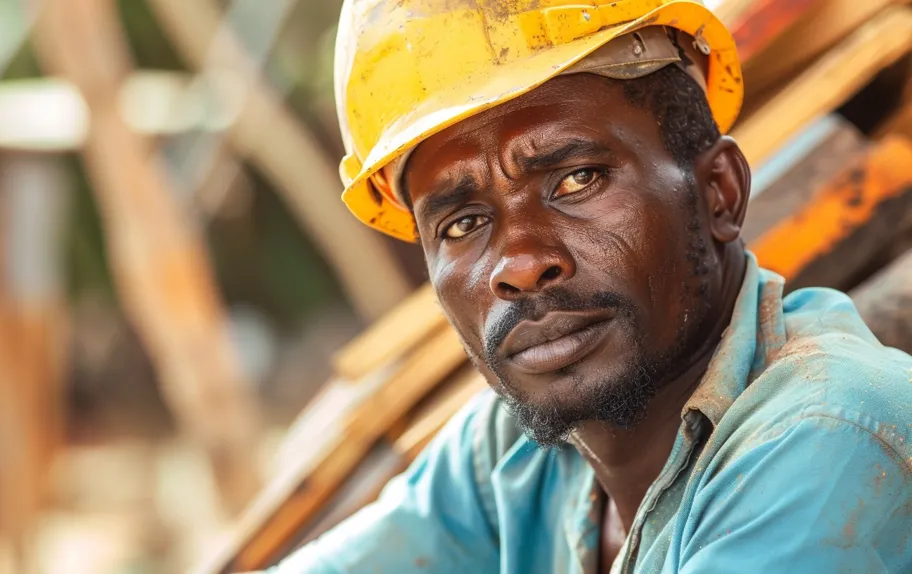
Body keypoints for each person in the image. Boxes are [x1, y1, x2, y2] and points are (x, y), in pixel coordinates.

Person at [274, 1, 912, 572]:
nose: (519, 264)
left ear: (719, 192)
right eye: (463, 223)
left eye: (576, 180)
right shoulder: (514, 452)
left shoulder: (831, 435)